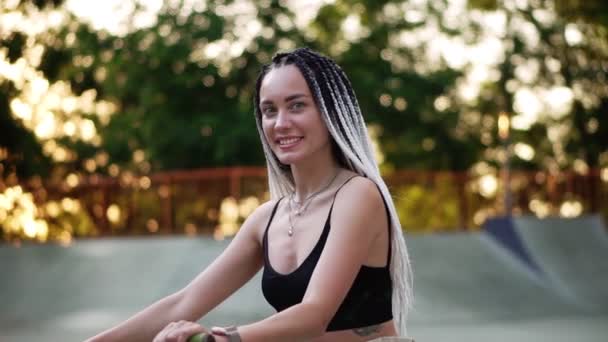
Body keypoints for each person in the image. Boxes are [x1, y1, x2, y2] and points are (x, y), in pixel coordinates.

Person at [87, 47, 413, 342]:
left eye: (297, 105)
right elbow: (184, 303)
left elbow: (314, 315)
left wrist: (222, 339)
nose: (280, 123)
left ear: (329, 113)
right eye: (269, 110)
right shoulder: (266, 220)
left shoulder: (358, 195)